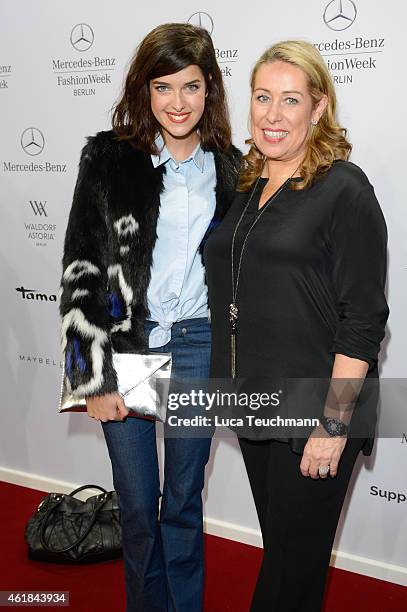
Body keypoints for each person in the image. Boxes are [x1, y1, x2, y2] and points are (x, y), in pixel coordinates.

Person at [59, 23, 241, 612]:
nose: (178, 102)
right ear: (144, 91)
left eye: (191, 86)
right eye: (163, 87)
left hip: (198, 346)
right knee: (137, 509)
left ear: (209, 88)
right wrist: (92, 380)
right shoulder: (110, 159)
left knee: (183, 502)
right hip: (127, 350)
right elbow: (81, 266)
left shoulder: (234, 168)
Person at [204, 40, 388, 612]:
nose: (273, 115)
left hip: (318, 408)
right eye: (262, 98)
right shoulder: (246, 187)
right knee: (286, 554)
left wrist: (332, 427)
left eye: (290, 100)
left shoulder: (344, 188)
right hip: (256, 402)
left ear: (319, 107)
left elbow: (363, 320)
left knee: (290, 572)